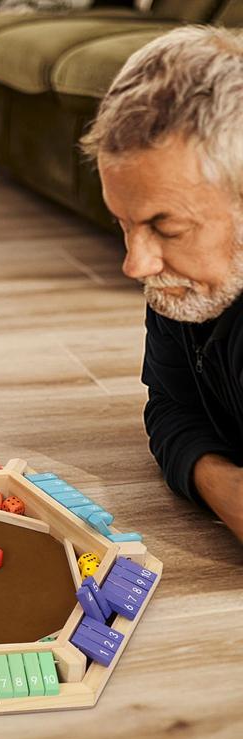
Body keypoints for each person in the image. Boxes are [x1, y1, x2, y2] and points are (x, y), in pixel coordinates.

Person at [81, 26, 243, 543]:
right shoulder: (183, 290)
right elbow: (170, 406)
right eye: (123, 223)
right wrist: (221, 485)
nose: (136, 263)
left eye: (166, 228)